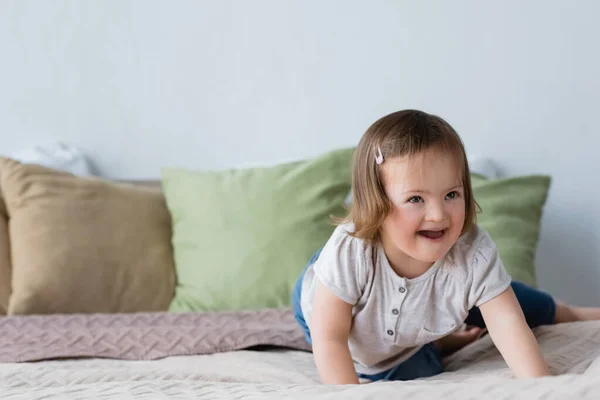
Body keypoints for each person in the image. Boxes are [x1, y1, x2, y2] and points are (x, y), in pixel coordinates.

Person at [291, 109, 600, 384]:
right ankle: (440, 343)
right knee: (412, 369)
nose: (438, 215)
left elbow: (507, 326)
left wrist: (541, 384)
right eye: (415, 199)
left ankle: (573, 312)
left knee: (509, 300)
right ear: (377, 205)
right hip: (328, 310)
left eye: (452, 194)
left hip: (434, 302)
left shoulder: (472, 253)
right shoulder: (351, 249)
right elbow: (329, 338)